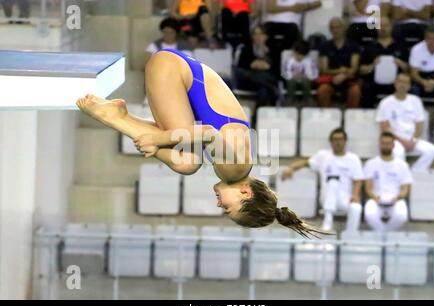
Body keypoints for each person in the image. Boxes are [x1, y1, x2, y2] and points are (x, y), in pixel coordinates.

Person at [76, 48, 327, 238]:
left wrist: (159, 140)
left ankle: (120, 117)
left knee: (188, 159)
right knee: (188, 162)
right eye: (227, 209)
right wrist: (158, 140)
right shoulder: (234, 169)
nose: (219, 204)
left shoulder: (240, 167)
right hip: (172, 70)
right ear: (246, 193)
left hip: (178, 69)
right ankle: (116, 118)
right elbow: (206, 132)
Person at [281, 128, 364, 232]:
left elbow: (358, 180)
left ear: (345, 141)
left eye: (340, 139)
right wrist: (291, 168)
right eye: (335, 139)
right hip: (326, 198)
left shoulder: (353, 158)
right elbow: (306, 163)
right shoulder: (323, 156)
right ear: (331, 141)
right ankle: (327, 223)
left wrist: (355, 195)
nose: (338, 142)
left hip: (344, 198)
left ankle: (351, 234)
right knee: (333, 182)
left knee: (356, 207)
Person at [376, 73, 434, 171]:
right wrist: (402, 141)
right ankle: (402, 177)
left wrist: (413, 141)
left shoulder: (415, 101)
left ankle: (413, 173)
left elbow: (419, 125)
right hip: (395, 140)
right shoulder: (385, 103)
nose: (402, 85)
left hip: (412, 139)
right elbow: (384, 128)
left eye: (406, 83)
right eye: (400, 82)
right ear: (395, 83)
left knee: (433, 150)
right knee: (399, 153)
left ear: (409, 86)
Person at [364, 131, 412, 234]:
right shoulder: (371, 163)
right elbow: (368, 187)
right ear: (379, 144)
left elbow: (405, 188)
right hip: (376, 199)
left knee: (402, 215)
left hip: (396, 199)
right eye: (383, 143)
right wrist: (374, 197)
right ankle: (385, 236)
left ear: (393, 145)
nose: (385, 146)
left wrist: (398, 197)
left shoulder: (402, 165)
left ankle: (383, 235)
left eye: (388, 143)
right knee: (369, 213)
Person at [359, 17, 409, 107]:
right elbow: (361, 69)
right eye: (380, 26)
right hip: (373, 82)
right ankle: (367, 116)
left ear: (391, 27)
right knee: (366, 87)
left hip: (395, 82)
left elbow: (408, 69)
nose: (383, 28)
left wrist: (400, 63)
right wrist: (372, 65)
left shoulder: (400, 46)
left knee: (404, 86)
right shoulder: (369, 47)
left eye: (386, 25)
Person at [264, 0, 322, 76]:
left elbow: (318, 3)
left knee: (292, 38)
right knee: (267, 38)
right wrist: (292, 8)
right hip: (272, 23)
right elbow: (271, 8)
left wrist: (306, 6)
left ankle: (284, 73)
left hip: (291, 26)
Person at [234, 25, 278, 124]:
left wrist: (259, 65)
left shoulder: (273, 50)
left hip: (261, 83)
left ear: (266, 37)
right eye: (256, 34)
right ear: (252, 37)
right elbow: (242, 66)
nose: (258, 37)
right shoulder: (246, 49)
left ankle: (255, 120)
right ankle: (270, 85)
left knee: (264, 92)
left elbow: (275, 68)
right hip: (249, 80)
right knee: (242, 73)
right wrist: (253, 65)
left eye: (261, 34)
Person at [317, 17, 361, 108]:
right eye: (332, 28)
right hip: (330, 80)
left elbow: (354, 68)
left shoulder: (354, 46)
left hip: (349, 79)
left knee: (355, 91)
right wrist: (341, 71)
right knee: (322, 90)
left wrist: (344, 75)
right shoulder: (325, 46)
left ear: (344, 28)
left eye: (338, 27)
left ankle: (350, 117)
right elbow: (324, 70)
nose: (335, 30)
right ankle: (328, 117)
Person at [409, 25, 434, 110]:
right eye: (429, 38)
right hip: (421, 77)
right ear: (425, 38)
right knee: (413, 89)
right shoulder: (416, 49)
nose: (431, 41)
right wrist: (423, 82)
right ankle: (414, 113)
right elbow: (413, 73)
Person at [282, 40, 318, 106]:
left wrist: (307, 76)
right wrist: (291, 75)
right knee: (291, 81)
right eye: (296, 54)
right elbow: (285, 72)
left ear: (305, 54)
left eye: (300, 55)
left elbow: (315, 74)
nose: (298, 57)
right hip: (292, 79)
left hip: (306, 80)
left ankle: (308, 98)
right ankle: (290, 98)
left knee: (305, 81)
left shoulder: (309, 61)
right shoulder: (290, 61)